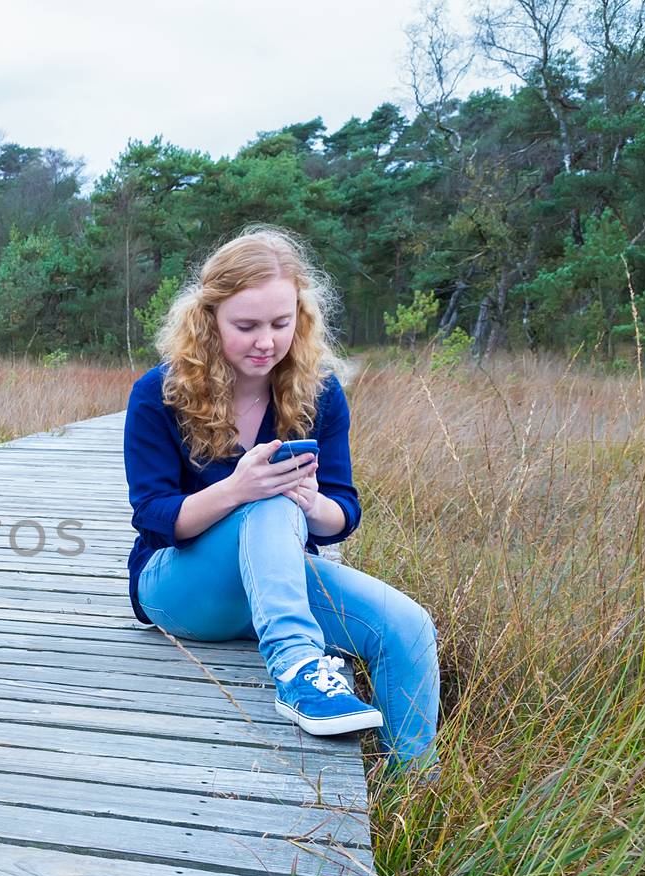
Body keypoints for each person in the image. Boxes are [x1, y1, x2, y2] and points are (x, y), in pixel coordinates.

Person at [122, 227, 438, 772]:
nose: (265, 340)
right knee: (267, 496)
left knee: (408, 628)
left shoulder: (320, 393)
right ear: (209, 319)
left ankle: (410, 785)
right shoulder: (160, 393)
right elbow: (155, 518)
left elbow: (341, 514)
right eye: (245, 326)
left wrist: (310, 501)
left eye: (280, 323)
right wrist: (240, 490)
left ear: (301, 317)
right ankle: (297, 668)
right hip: (180, 587)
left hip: (275, 578)